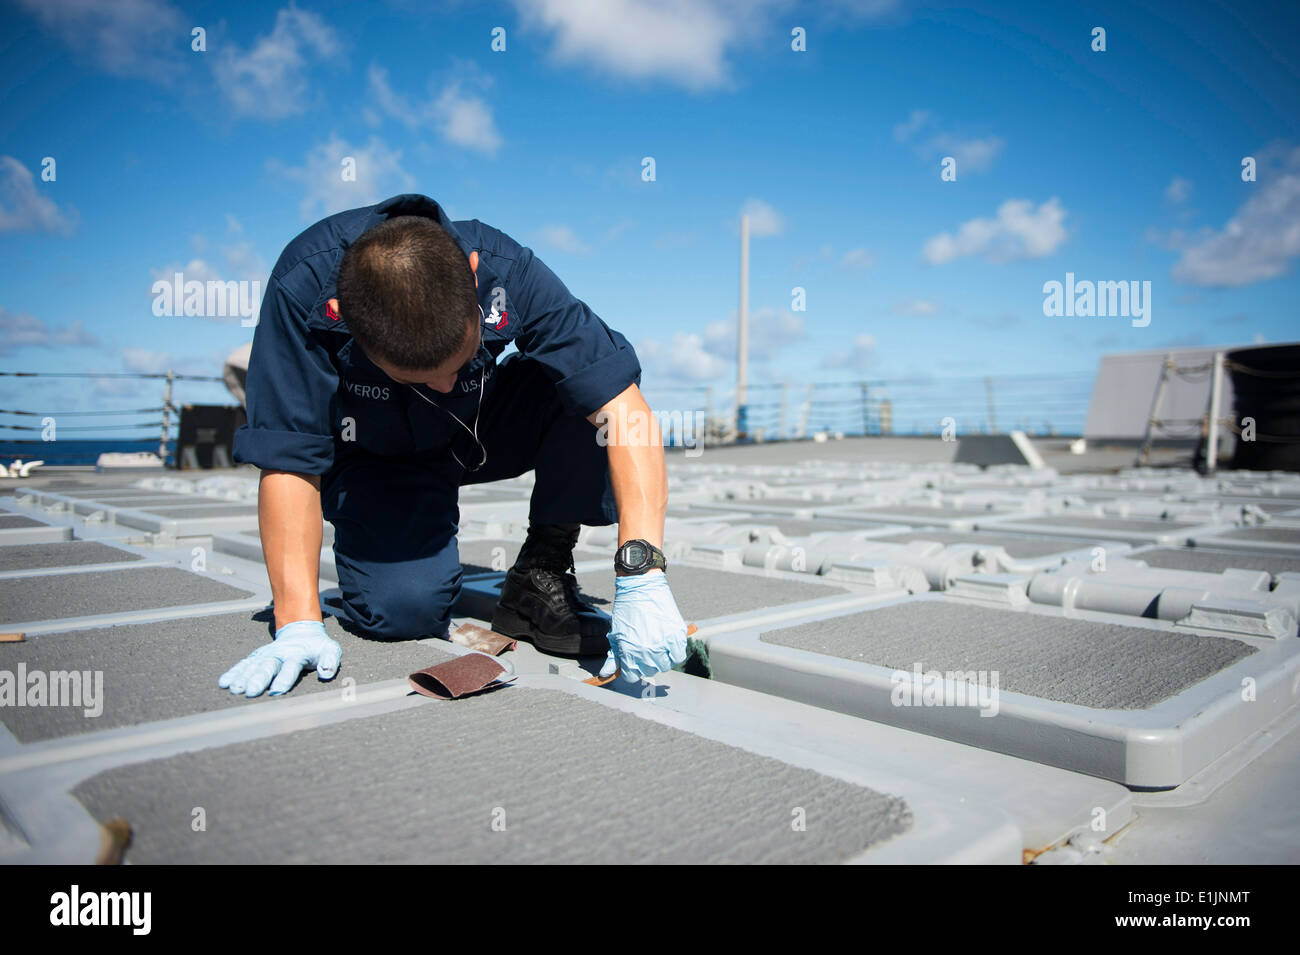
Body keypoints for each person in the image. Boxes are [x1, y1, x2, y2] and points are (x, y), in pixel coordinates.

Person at [219, 193, 688, 697]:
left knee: (586, 387)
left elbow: (623, 409)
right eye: (421, 377)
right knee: (402, 610)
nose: (443, 385)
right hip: (374, 456)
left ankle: (541, 571)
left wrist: (642, 575)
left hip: (476, 428)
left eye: (457, 360)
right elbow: (288, 459)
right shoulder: (303, 283)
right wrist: (297, 622)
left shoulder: (505, 267)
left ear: (473, 274)